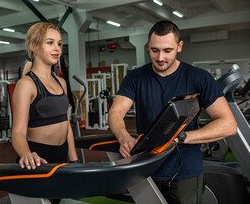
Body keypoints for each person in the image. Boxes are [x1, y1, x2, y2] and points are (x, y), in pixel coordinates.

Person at [108, 20, 237, 204]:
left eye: (167, 50)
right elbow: (115, 113)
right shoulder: (135, 78)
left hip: (185, 171)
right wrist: (123, 137)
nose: (160, 57)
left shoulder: (199, 78)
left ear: (179, 46)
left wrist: (181, 137)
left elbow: (229, 125)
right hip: (145, 169)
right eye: (154, 50)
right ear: (148, 47)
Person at [12, 22, 79, 172]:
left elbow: (66, 124)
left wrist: (75, 159)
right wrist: (27, 154)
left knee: (58, 196)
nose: (57, 48)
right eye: (50, 43)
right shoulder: (26, 84)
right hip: (37, 158)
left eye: (59, 44)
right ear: (33, 46)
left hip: (61, 154)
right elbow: (18, 132)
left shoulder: (61, 83)